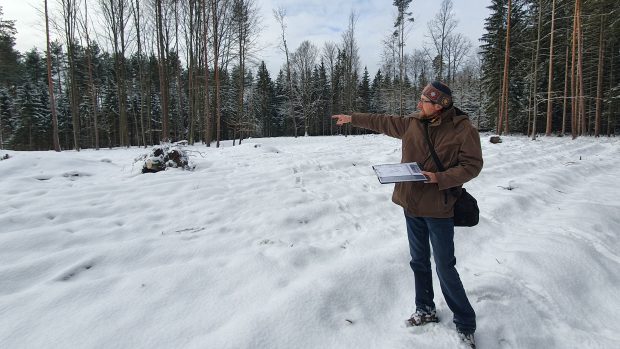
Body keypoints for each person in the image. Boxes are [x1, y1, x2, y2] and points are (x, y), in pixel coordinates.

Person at [331, 81, 482, 349]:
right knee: (419, 261)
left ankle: (465, 323)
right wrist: (352, 118)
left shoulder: (463, 129)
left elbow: (472, 165)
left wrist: (440, 177)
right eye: (420, 99)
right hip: (411, 205)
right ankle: (425, 309)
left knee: (445, 267)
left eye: (424, 101)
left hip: (439, 209)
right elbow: (382, 121)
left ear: (440, 106)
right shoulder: (412, 123)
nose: (418, 104)